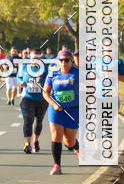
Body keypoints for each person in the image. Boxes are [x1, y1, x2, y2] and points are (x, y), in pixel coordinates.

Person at [42, 48, 79, 176]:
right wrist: (53, 103)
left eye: (66, 60)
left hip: (73, 110)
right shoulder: (53, 73)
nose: (63, 62)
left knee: (69, 142)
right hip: (56, 110)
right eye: (61, 60)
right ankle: (57, 165)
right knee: (56, 136)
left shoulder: (78, 73)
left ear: (71, 61)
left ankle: (76, 146)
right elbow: (45, 92)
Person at [19, 47, 49, 153]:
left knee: (38, 122)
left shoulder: (45, 68)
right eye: (33, 57)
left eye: (37, 57)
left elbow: (50, 81)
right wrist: (21, 82)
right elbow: (19, 77)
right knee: (28, 120)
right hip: (27, 98)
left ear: (41, 58)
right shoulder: (24, 67)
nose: (35, 59)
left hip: (42, 99)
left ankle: (35, 141)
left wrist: (42, 80)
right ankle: (27, 144)